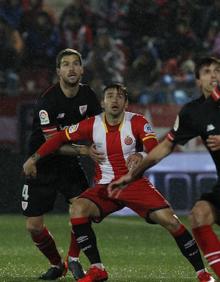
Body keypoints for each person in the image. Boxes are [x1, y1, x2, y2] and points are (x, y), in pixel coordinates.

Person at [23, 83, 214, 282]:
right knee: (78, 208)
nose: (114, 100)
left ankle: (202, 272)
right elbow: (58, 138)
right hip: (106, 187)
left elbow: (152, 146)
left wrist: (140, 154)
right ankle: (97, 269)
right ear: (102, 102)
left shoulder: (138, 122)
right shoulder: (91, 124)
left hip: (134, 184)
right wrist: (34, 158)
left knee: (171, 221)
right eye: (110, 96)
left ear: (126, 103)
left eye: (119, 96)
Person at [108, 56, 220, 280]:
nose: (214, 75)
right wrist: (132, 176)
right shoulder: (193, 112)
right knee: (199, 215)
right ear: (197, 80)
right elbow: (167, 146)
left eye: (218, 70)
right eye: (207, 71)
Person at [21, 48, 104, 280]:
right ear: (58, 71)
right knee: (34, 226)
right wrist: (85, 150)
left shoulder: (88, 96)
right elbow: (52, 142)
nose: (71, 68)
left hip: (68, 164)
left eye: (75, 64)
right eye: (65, 64)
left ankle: (73, 259)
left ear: (82, 69)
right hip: (42, 163)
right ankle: (58, 265)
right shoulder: (47, 101)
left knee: (82, 211)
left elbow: (101, 128)